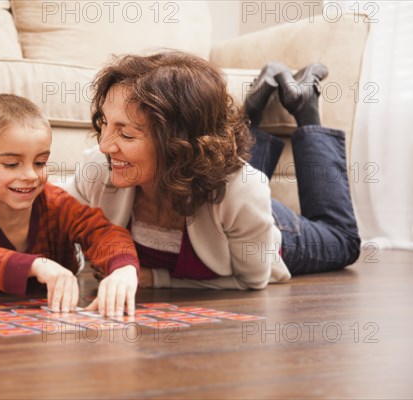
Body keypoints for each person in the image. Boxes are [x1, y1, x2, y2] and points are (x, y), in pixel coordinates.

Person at [65, 51, 361, 289]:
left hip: (263, 227)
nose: (104, 145)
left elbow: (251, 281)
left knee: (343, 242)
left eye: (126, 135)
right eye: (104, 122)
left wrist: (158, 280)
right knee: (228, 180)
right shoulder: (98, 169)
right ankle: (254, 109)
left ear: (176, 144)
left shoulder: (242, 191)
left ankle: (306, 104)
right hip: (217, 193)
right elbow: (48, 216)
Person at [0, 94, 139, 316]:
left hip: (57, 316)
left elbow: (105, 234)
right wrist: (37, 265)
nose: (29, 175)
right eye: (11, 164)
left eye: (40, 163)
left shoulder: (57, 202)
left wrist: (124, 269)